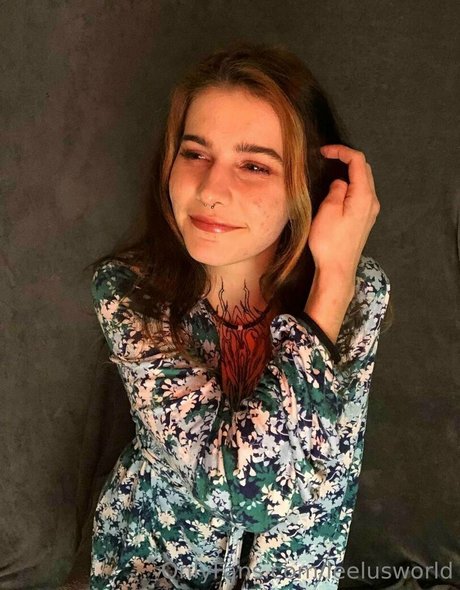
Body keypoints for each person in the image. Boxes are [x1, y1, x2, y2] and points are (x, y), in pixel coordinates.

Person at [88, 41, 391, 590]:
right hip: (155, 571)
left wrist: (334, 282)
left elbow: (323, 479)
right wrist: (328, 297)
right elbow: (246, 494)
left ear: (308, 186)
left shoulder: (359, 291)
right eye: (195, 154)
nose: (210, 191)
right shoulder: (132, 293)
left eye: (254, 165)